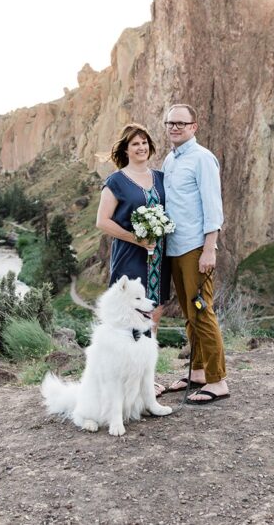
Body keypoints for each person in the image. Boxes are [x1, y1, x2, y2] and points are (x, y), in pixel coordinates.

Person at [160, 104, 229, 404]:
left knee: (202, 311)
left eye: (181, 123)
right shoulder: (169, 160)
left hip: (195, 247)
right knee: (190, 314)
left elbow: (213, 206)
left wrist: (209, 249)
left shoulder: (203, 159)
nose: (175, 127)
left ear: (194, 126)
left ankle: (218, 381)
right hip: (173, 247)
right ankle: (198, 372)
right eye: (170, 123)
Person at [95, 123, 171, 336]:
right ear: (125, 149)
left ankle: (147, 360)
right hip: (129, 255)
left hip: (159, 255)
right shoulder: (116, 181)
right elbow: (102, 221)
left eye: (144, 142)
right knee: (128, 308)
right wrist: (135, 238)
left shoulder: (161, 178)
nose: (141, 147)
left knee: (155, 306)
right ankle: (121, 361)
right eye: (135, 143)